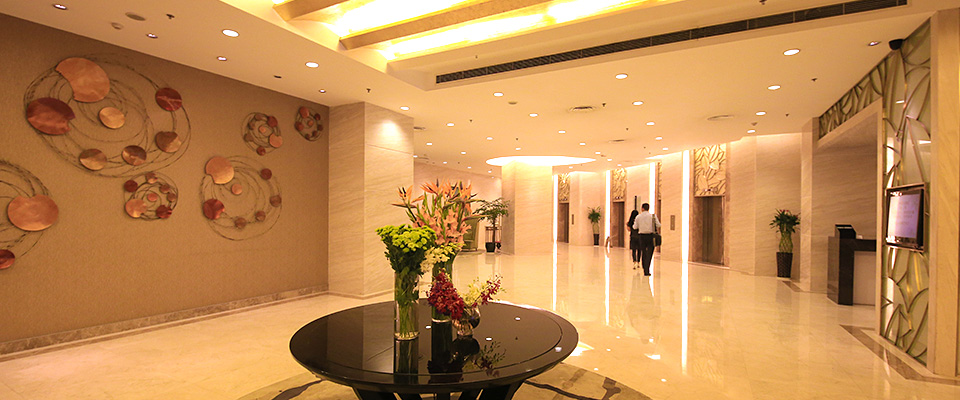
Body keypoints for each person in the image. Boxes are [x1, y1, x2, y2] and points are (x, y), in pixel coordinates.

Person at [632, 203, 660, 276]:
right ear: (648, 208)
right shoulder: (653, 216)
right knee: (649, 253)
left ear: (642, 208)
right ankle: (647, 268)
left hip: (642, 236)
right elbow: (658, 225)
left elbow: (635, 227)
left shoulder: (638, 217)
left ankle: (644, 267)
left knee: (643, 252)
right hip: (650, 236)